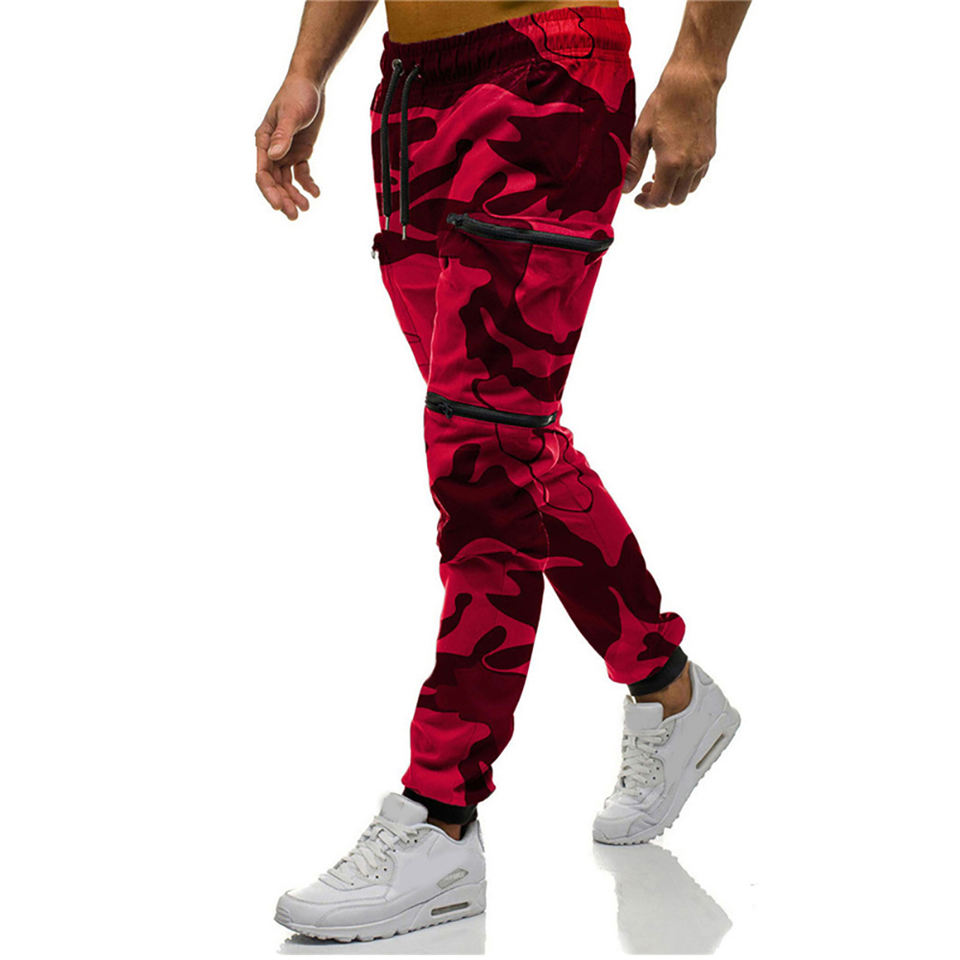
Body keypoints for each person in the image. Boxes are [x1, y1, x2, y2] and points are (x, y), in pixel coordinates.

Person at [257, 0, 749, 943]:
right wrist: (308, 66)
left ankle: (440, 815)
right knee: (506, 444)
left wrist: (701, 63)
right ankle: (670, 688)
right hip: (414, 89)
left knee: (481, 459)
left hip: (546, 72)